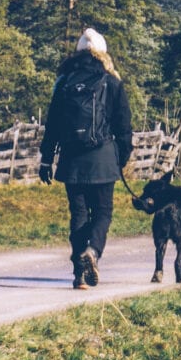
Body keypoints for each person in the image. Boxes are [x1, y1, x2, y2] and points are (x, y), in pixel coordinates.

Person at [39, 28, 133, 290]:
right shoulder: (112, 82)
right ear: (102, 53)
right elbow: (123, 126)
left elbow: (53, 124)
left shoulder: (64, 82)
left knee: (78, 214)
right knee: (103, 211)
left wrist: (47, 159)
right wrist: (121, 157)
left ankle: (79, 275)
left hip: (71, 160)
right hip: (102, 157)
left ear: (78, 53)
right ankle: (92, 251)